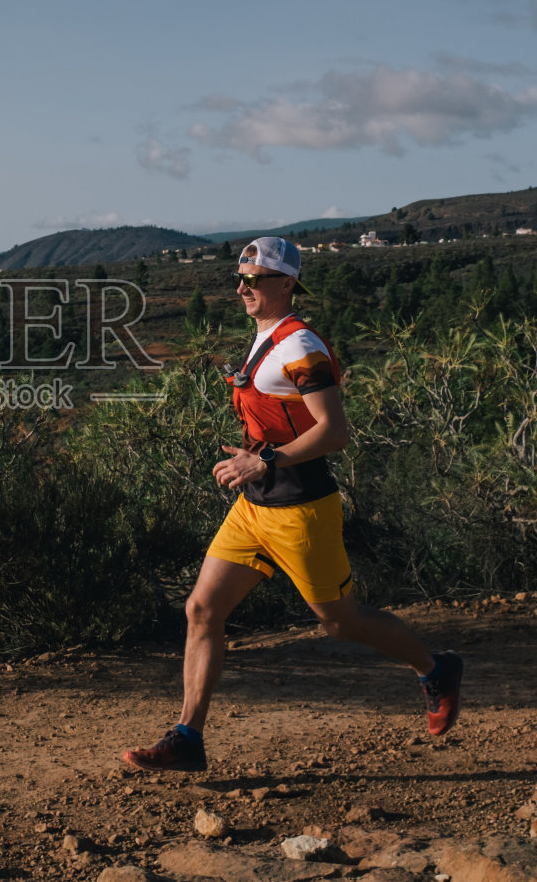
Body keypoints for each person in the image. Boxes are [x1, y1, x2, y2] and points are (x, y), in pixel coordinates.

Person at [122, 236, 462, 773]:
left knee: (341, 622)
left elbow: (335, 431)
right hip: (253, 507)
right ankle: (188, 737)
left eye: (254, 280)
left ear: (286, 283)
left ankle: (435, 668)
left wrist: (265, 460)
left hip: (302, 509)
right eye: (240, 279)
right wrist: (256, 460)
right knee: (202, 609)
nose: (242, 289)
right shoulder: (265, 337)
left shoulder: (301, 346)